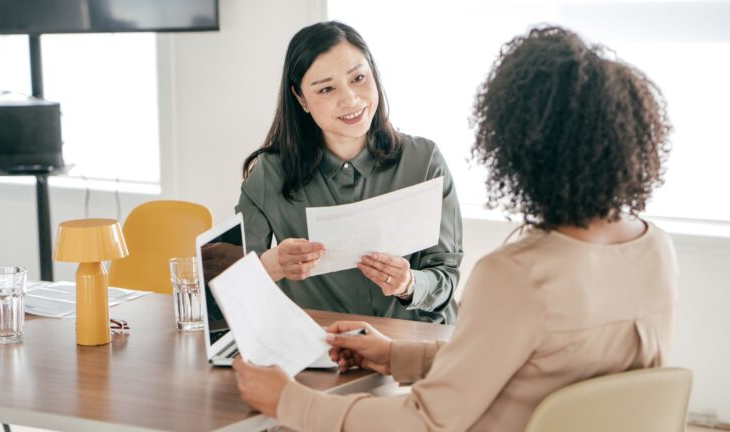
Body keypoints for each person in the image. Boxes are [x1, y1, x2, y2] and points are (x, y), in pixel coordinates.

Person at [231, 26, 677, 432]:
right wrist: (394, 354)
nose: (348, 98)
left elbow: (426, 420)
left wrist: (290, 401)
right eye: (327, 88)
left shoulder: (514, 275)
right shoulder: (656, 248)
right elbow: (527, 363)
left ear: (515, 149)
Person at [236, 21, 463, 324]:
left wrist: (409, 284)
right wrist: (272, 264)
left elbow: (446, 276)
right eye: (327, 89)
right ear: (301, 98)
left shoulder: (425, 161)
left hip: (412, 348)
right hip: (323, 351)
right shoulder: (269, 173)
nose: (351, 100)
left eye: (358, 78)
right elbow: (230, 285)